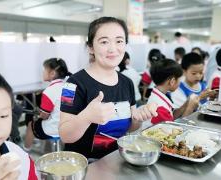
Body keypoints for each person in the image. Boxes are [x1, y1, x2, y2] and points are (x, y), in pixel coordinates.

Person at [59, 17, 158, 160]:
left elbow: (131, 127)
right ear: (91, 47)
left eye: (119, 41)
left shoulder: (127, 83)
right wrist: (86, 117)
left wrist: (139, 117)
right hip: (84, 165)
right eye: (104, 42)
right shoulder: (72, 84)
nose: (113, 49)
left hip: (117, 160)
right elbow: (65, 135)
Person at [145, 59, 199, 127]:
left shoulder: (161, 95)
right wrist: (190, 108)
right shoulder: (159, 108)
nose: (180, 82)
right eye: (179, 80)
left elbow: (171, 115)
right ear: (172, 81)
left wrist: (186, 104)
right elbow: (173, 131)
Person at [31, 58, 71, 140]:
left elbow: (44, 116)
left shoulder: (49, 91)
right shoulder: (68, 86)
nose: (42, 72)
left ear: (52, 73)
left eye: (44, 70)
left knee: (31, 125)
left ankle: (26, 149)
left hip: (55, 130)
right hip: (69, 128)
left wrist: (40, 115)